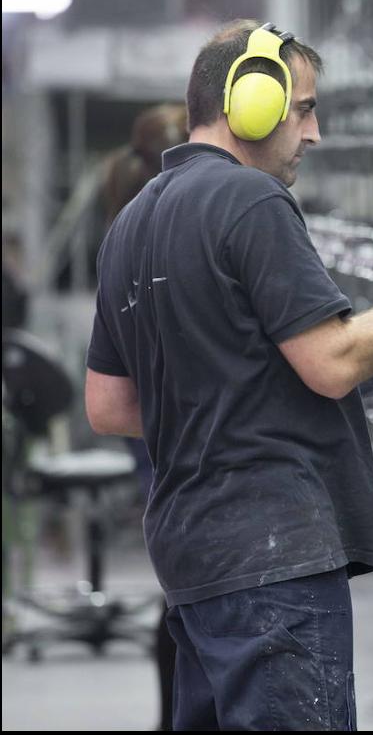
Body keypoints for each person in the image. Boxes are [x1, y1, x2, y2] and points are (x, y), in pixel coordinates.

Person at [82, 19, 373, 730]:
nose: (313, 133)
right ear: (248, 101)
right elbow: (331, 362)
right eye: (305, 108)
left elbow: (108, 404)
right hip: (271, 552)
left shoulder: (132, 221)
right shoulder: (250, 200)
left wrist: (235, 397)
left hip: (191, 553)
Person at [98, 101, 188, 732]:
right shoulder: (161, 224)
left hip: (152, 426)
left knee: (182, 587)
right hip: (171, 431)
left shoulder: (125, 226)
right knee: (191, 594)